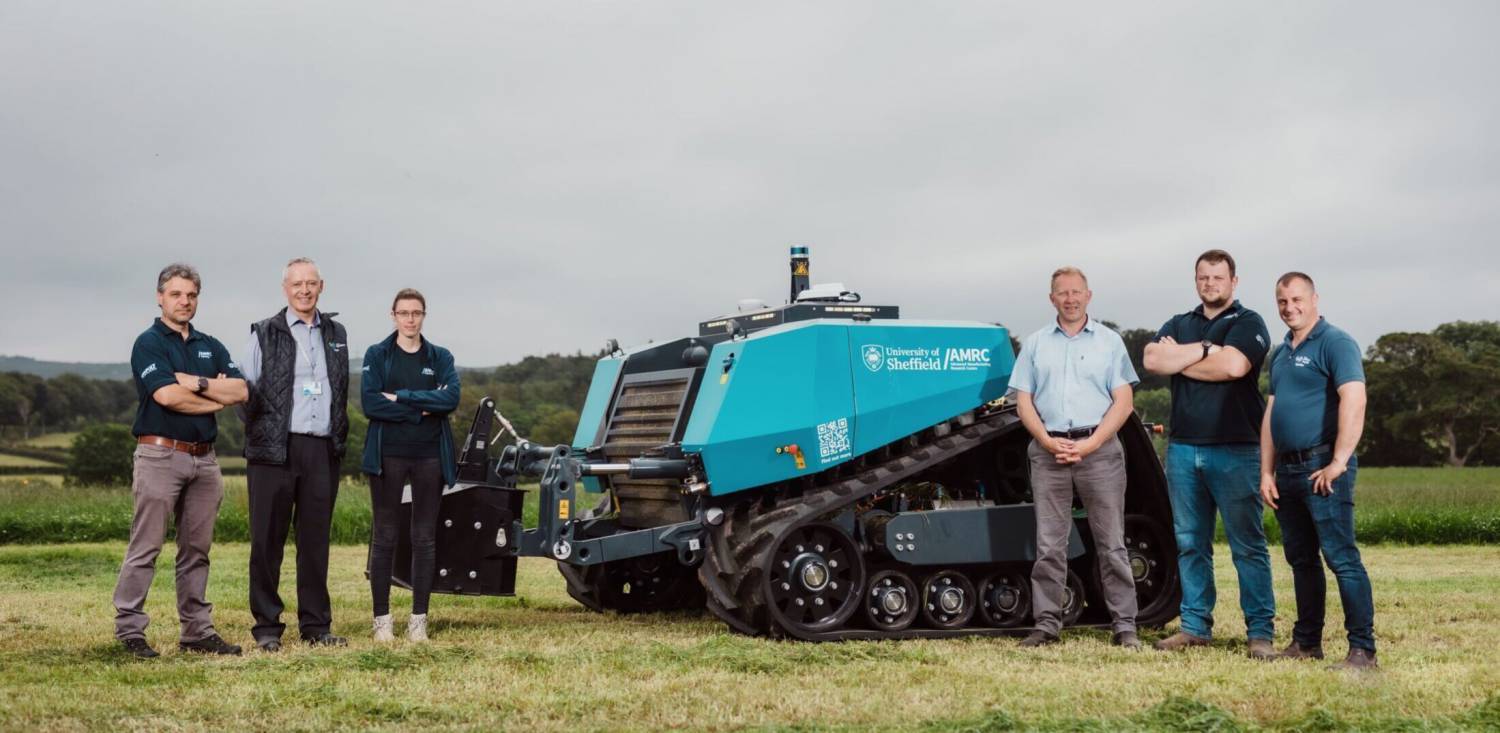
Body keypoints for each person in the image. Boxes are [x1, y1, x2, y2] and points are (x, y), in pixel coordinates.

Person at [1143, 249, 1277, 659]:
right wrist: (1206, 349)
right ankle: (1195, 627)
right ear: (1196, 280)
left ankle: (1260, 632)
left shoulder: (1249, 322)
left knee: (1247, 544)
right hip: (1183, 449)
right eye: (1204, 277)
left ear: (1233, 282)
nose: (1210, 284)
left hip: (1237, 448)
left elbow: (1234, 367)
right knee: (1189, 542)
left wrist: (1181, 357)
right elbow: (1152, 359)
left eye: (1218, 278)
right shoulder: (1180, 322)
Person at [114, 263, 248, 658]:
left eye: (190, 295)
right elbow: (167, 397)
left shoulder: (210, 344)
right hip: (160, 455)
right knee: (146, 547)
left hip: (204, 461)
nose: (184, 301)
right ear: (160, 297)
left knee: (197, 551)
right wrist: (211, 397)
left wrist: (196, 381)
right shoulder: (148, 343)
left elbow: (240, 390)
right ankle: (130, 631)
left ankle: (196, 632)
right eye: (175, 294)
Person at [1010, 267, 1142, 649]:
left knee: (1111, 542)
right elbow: (1024, 403)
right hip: (1049, 452)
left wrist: (1091, 443)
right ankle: (1047, 624)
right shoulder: (1035, 344)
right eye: (1062, 293)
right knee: (1049, 545)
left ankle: (1125, 625)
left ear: (1089, 295)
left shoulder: (1110, 342)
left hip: (1098, 451)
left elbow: (1124, 402)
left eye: (1076, 292)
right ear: (1052, 299)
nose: (1070, 299)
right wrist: (1048, 441)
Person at [1259, 273, 1377, 670]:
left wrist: (1339, 461)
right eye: (1282, 301)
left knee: (1341, 558)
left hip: (1322, 467)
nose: (1289, 307)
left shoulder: (1336, 342)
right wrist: (1266, 472)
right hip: (1287, 471)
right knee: (1301, 560)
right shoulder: (1280, 353)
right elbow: (1272, 413)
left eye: (1296, 299)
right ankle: (1307, 642)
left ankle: (1363, 651)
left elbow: (1354, 399)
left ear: (1314, 299)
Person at [240, 258, 350, 651]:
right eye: (297, 284)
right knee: (266, 542)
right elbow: (244, 392)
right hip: (274, 451)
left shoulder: (336, 332)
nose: (304, 290)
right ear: (285, 288)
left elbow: (340, 387)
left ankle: (316, 626)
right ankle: (267, 628)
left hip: (321, 448)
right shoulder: (264, 332)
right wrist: (264, 433)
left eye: (311, 283)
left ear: (322, 286)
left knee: (315, 542)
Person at [360, 288, 460, 642]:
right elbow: (371, 404)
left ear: (423, 316)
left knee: (424, 537)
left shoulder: (440, 356)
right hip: (388, 455)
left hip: (430, 457)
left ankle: (419, 620)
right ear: (393, 315)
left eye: (416, 313)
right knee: (385, 536)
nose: (410, 319)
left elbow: (451, 398)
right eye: (403, 313)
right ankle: (382, 621)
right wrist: (422, 411)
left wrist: (402, 398)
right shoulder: (378, 354)